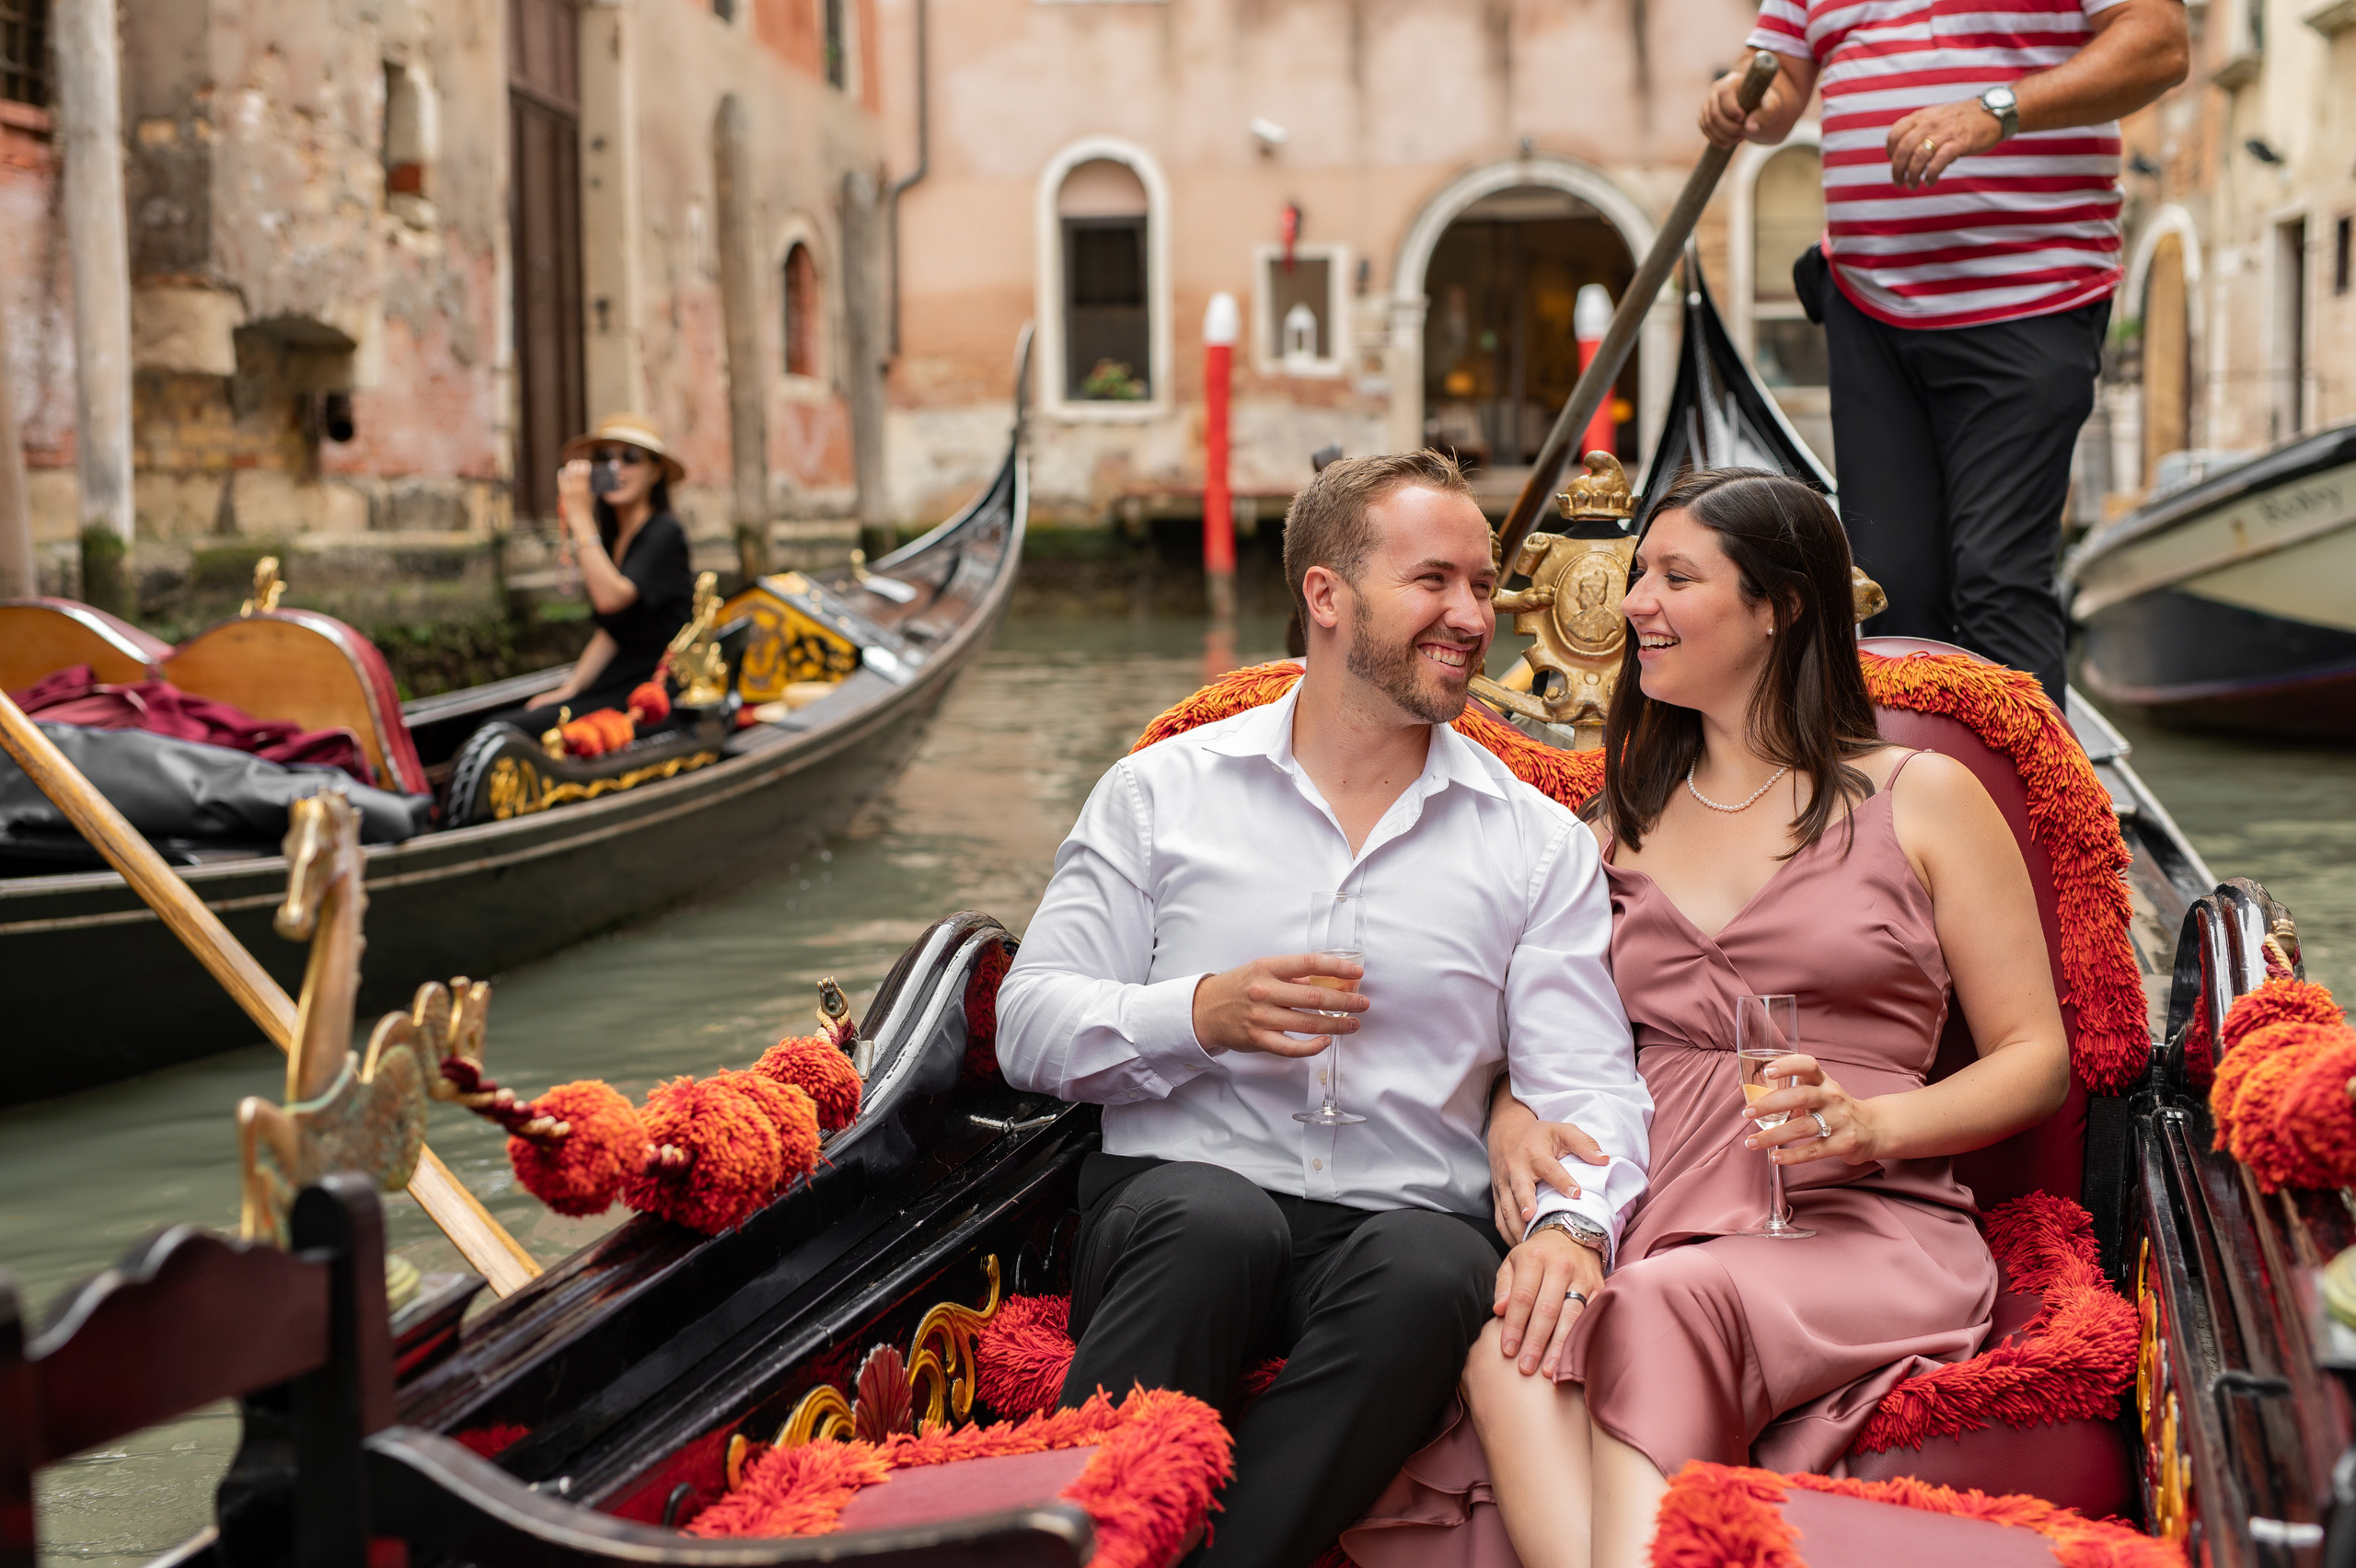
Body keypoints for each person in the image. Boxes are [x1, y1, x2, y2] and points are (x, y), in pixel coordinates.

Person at [1343, 469, 2072, 1568]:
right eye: (1640, 573)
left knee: (1661, 1304)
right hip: (1651, 1194)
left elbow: (2036, 1059)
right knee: (1509, 1351)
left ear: (1779, 606)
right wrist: (1507, 1116)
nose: (1632, 601)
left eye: (1675, 576)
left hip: (1851, 1212)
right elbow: (1522, 1039)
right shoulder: (1609, 825)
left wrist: (1873, 1130)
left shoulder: (1919, 797)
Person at [995, 450, 1653, 1568]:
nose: (1469, 617)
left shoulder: (1533, 842)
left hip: (1401, 1226)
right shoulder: (1162, 794)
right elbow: (1030, 1025)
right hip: (1176, 1203)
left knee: (1436, 1272)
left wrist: (1570, 1224)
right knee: (1215, 1224)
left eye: (1483, 586)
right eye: (1432, 581)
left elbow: (1585, 1079)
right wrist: (1201, 1013)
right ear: (1326, 596)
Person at [1702, 0, 2188, 703]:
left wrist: (1996, 110)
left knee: (1997, 579)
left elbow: (2160, 45)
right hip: (1868, 306)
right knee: (1886, 589)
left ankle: (2038, 809)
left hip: (2034, 296)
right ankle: (1919, 802)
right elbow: (1778, 85)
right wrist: (1742, 96)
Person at [506, 413, 696, 733]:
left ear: (656, 471)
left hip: (654, 690)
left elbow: (611, 599)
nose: (616, 468)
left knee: (518, 729)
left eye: (630, 458)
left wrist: (579, 514)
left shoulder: (665, 532)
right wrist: (572, 688)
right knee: (508, 721)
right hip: (617, 677)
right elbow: (611, 630)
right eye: (605, 458)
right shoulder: (610, 538)